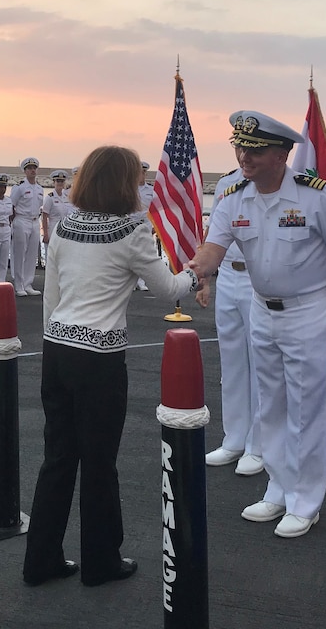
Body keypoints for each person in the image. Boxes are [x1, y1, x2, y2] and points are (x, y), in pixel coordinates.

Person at [23, 146, 199, 587]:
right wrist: (198, 272)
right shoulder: (133, 230)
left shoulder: (65, 225)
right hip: (99, 358)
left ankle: (41, 559)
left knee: (58, 458)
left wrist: (54, 340)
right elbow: (167, 289)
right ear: (125, 184)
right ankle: (101, 560)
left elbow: (52, 296)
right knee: (100, 463)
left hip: (57, 348)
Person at [189, 111, 326, 539]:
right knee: (271, 407)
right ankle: (279, 489)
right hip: (261, 311)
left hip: (309, 311)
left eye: (255, 149)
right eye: (239, 147)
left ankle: (306, 502)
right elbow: (215, 247)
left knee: (306, 410)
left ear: (283, 153)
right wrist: (196, 269)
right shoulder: (233, 196)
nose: (244, 156)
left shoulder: (315, 196)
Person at [200, 157, 264, 477]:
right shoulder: (227, 185)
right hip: (228, 275)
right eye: (239, 146)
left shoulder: (270, 185)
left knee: (260, 364)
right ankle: (234, 438)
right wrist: (205, 280)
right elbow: (215, 235)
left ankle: (258, 444)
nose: (243, 153)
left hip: (259, 279)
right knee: (232, 363)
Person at [10, 157, 43, 297]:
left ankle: (28, 283)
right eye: (29, 168)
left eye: (34, 168)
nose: (32, 171)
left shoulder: (40, 188)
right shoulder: (19, 187)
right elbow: (11, 205)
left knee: (32, 254)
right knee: (19, 253)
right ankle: (19, 284)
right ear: (25, 171)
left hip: (35, 221)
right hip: (21, 220)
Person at [130, 161, 156, 291]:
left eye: (143, 172)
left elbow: (155, 209)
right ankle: (132, 282)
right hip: (131, 223)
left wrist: (155, 226)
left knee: (145, 252)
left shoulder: (151, 190)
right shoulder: (128, 189)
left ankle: (142, 281)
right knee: (131, 253)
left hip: (145, 223)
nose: (141, 175)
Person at [41, 169, 73, 245]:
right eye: (58, 181)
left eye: (62, 181)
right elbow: (44, 216)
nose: (60, 183)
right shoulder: (50, 197)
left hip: (63, 229)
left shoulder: (65, 197)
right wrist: (45, 234)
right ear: (54, 182)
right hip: (53, 228)